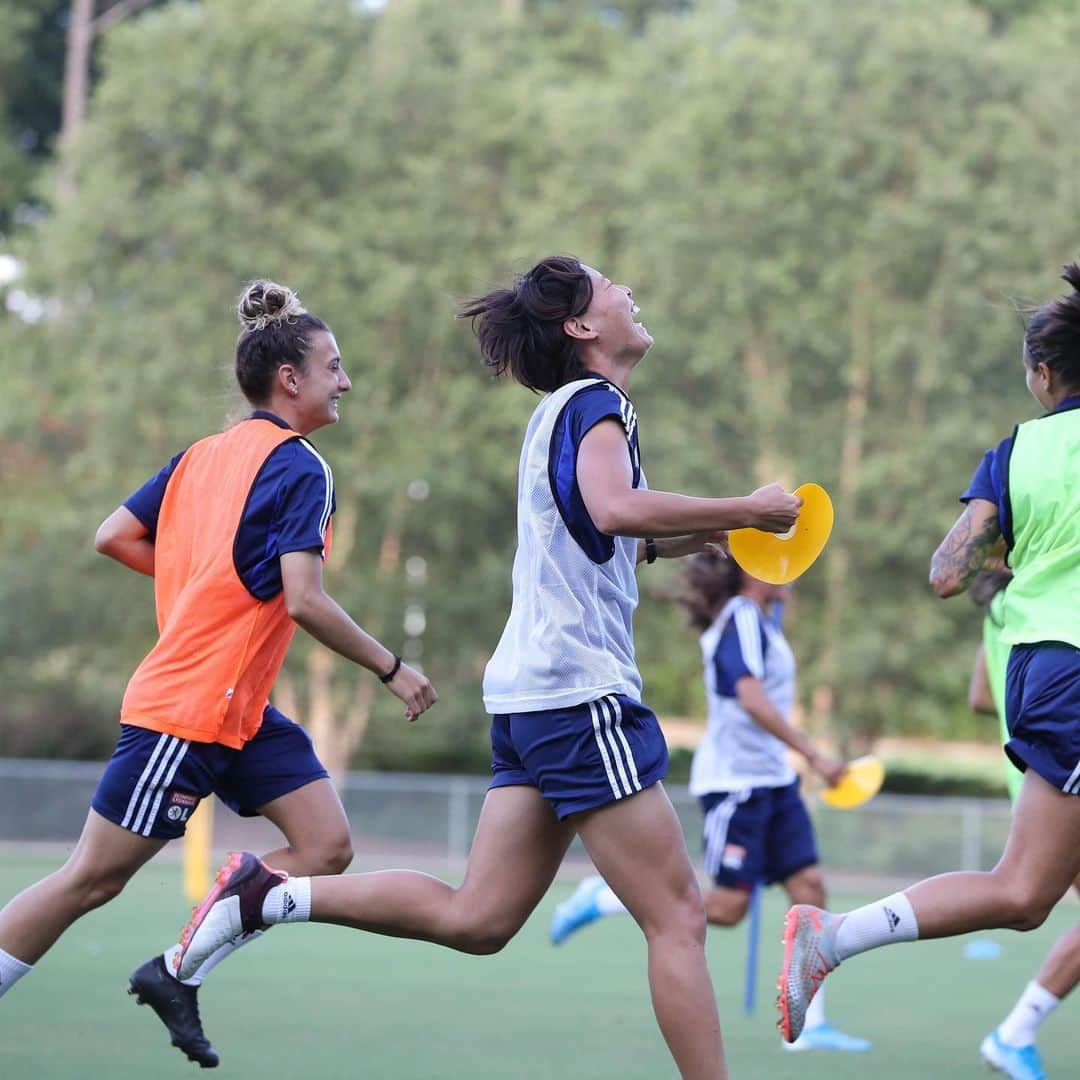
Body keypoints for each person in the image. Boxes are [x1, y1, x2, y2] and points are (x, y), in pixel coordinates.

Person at [169, 255, 803, 1080]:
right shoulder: (599, 404)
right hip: (580, 694)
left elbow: (615, 533)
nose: (628, 293)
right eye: (610, 285)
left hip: (530, 696)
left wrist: (708, 535)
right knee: (680, 916)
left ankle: (267, 895)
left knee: (479, 918)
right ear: (580, 326)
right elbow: (614, 508)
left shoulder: (559, 414)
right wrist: (744, 507)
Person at [0, 281, 436, 1068]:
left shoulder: (203, 454)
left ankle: (175, 972)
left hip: (240, 709)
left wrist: (204, 584)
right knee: (89, 882)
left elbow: (115, 535)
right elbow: (303, 599)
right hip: (186, 709)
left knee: (326, 846)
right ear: (289, 380)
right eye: (334, 367)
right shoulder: (301, 466)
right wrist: (391, 665)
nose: (346, 382)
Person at [774, 263, 1080, 1060]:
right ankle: (834, 939)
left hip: (1044, 671)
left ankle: (837, 941)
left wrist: (1029, 551)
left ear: (1045, 374)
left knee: (1025, 896)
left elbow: (948, 573)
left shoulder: (1015, 453)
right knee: (1021, 892)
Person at [549, 554, 870, 1053]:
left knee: (810, 887)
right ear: (751, 571)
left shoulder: (760, 622)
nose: (791, 572)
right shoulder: (741, 616)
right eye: (779, 564)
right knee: (727, 908)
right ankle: (603, 897)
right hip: (736, 784)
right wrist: (813, 753)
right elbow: (749, 696)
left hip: (774, 782)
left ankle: (808, 1025)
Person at [969, 570, 1080, 1080]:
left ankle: (1016, 1031)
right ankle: (1015, 1032)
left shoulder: (1005, 612)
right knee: (1022, 900)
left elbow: (981, 698)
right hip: (1061, 776)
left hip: (1029, 772)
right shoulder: (1060, 602)